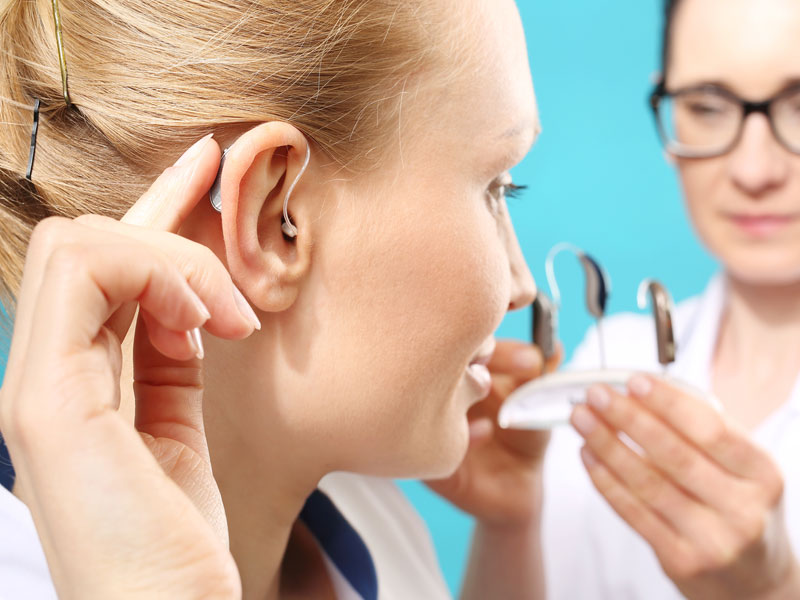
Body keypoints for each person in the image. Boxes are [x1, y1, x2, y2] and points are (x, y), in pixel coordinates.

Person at [0, 0, 555, 598]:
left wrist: (510, 530)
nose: (521, 285)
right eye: (498, 187)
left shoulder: (375, 530)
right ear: (276, 220)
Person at [539, 0, 800, 597]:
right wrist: (510, 521)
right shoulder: (611, 363)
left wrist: (775, 589)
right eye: (708, 107)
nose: (754, 170)